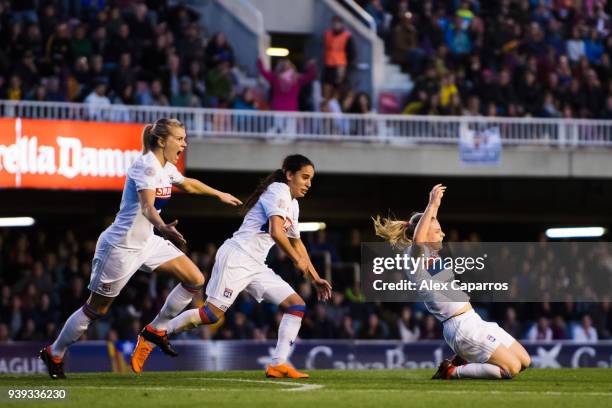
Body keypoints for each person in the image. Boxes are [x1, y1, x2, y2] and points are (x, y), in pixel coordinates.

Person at [39, 118, 242, 379]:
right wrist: (164, 227)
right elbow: (147, 208)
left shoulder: (165, 166)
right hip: (120, 248)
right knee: (95, 310)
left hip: (147, 242)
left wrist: (218, 194)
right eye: (179, 139)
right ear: (161, 141)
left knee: (195, 280)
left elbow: (187, 183)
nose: (184, 143)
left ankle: (155, 330)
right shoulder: (145, 167)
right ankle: (54, 352)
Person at [131, 155, 332, 378]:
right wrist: (296, 260)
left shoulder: (293, 205)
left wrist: (315, 277)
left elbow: (296, 242)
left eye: (311, 179)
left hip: (255, 264)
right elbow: (276, 231)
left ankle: (278, 363)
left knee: (296, 305)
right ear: (289, 175)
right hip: (237, 257)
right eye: (304, 177)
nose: (308, 184)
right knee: (210, 315)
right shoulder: (278, 190)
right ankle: (154, 333)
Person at [373, 184, 531, 380]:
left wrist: (435, 207)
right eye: (438, 231)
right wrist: (431, 204)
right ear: (424, 234)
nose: (443, 234)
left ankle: (461, 359)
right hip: (461, 328)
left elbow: (426, 231)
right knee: (511, 369)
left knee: (524, 361)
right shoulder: (413, 258)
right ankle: (451, 371)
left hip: (474, 320)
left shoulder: (429, 253)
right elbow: (420, 239)